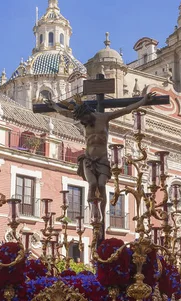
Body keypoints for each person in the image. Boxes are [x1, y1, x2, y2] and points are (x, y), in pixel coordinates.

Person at [48, 92, 155, 238]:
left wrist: (143, 100)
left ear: (88, 113)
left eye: (85, 120)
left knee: (102, 185)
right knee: (92, 184)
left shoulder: (104, 118)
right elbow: (64, 112)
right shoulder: (83, 120)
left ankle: (102, 216)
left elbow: (125, 109)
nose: (84, 123)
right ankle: (94, 212)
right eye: (82, 121)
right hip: (88, 159)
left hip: (103, 160)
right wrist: (53, 105)